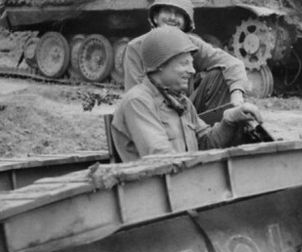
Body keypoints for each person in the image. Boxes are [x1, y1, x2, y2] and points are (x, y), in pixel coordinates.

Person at [112, 27, 262, 160]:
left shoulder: (181, 102)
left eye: (191, 63)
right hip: (155, 188)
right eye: (184, 64)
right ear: (160, 65)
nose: (192, 70)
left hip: (183, 182)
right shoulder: (138, 101)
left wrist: (228, 121)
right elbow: (161, 159)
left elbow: (205, 144)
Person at [123, 0, 251, 114]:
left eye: (179, 14)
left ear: (185, 23)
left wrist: (237, 95)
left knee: (220, 74)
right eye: (167, 11)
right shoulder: (136, 47)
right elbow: (135, 94)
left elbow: (233, 63)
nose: (172, 18)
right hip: (152, 112)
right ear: (155, 18)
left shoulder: (191, 43)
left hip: (184, 111)